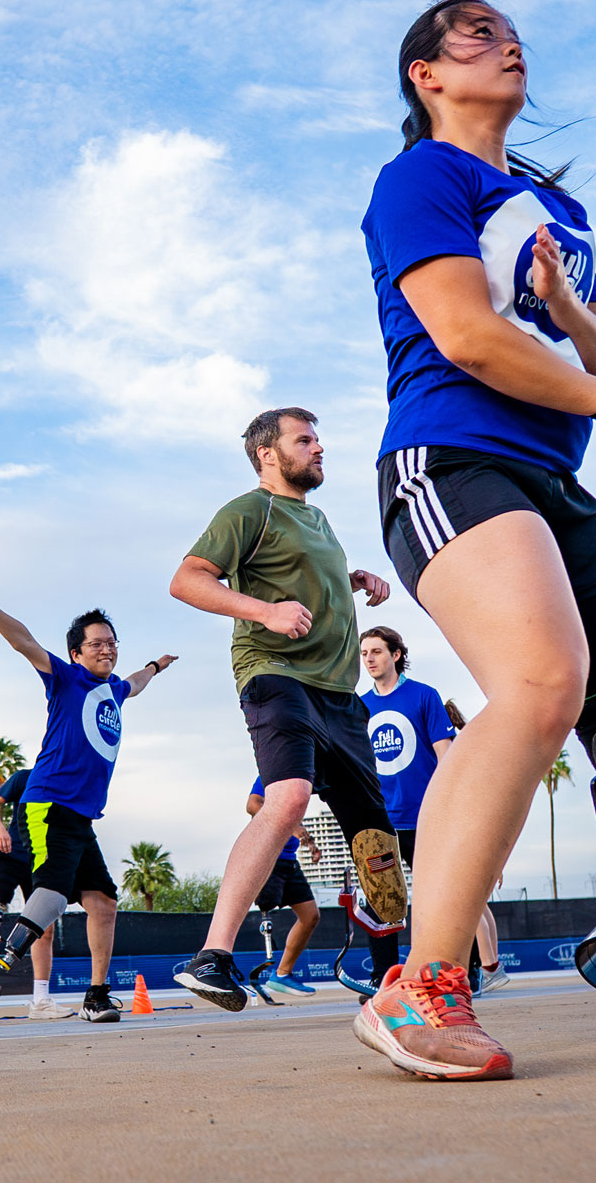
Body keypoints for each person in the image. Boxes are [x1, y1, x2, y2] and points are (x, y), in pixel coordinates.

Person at [353, 0, 596, 1081]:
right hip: (449, 456)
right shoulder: (423, 177)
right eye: (471, 32)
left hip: (552, 477)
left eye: (509, 30)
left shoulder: (555, 205)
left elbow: (595, 334)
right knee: (540, 678)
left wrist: (569, 311)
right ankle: (419, 985)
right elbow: (464, 335)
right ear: (426, 74)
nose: (504, 41)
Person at [165, 408, 400, 1012]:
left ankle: (392, 973)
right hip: (276, 674)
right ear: (269, 454)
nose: (319, 448)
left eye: (317, 438)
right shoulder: (249, 510)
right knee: (289, 797)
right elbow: (187, 580)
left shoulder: (315, 516)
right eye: (305, 440)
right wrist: (263, 613)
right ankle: (213, 958)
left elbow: (306, 579)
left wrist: (354, 580)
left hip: (340, 695)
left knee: (374, 834)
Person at [0, 577, 174, 1024]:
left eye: (112, 643)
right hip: (50, 803)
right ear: (77, 652)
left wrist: (155, 665)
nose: (106, 650)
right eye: (96, 644)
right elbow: (23, 640)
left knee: (103, 903)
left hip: (81, 815)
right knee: (53, 896)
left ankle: (96, 995)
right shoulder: (66, 678)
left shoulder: (114, 690)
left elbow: (136, 680)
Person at [358, 626, 505, 991]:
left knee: (447, 899)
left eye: (376, 651)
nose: (369, 659)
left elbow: (447, 759)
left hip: (428, 819)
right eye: (364, 653)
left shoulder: (424, 696)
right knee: (381, 901)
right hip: (381, 823)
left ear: (395, 655)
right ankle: (383, 981)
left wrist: (457, 814)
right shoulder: (359, 707)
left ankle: (465, 975)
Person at [0, 767, 60, 1020]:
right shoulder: (24, 777)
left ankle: (40, 998)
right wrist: (0, 830)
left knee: (45, 929)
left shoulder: (64, 782)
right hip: (10, 855)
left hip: (41, 862)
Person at [246, 775, 323, 998]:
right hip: (266, 856)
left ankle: (282, 974)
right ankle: (215, 960)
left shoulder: (302, 779)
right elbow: (252, 805)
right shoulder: (271, 773)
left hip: (288, 860)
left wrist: (310, 844)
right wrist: (289, 825)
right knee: (249, 911)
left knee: (310, 916)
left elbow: (294, 821)